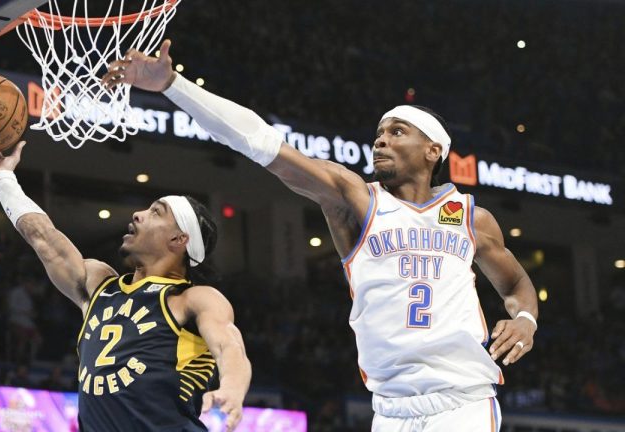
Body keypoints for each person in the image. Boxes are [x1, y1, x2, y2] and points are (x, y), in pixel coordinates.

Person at [104, 40, 539, 431]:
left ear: (433, 151)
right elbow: (262, 142)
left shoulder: (470, 218)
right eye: (379, 133)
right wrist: (173, 86)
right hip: (390, 409)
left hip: (463, 401)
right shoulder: (357, 201)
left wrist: (525, 318)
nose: (381, 140)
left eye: (397, 131)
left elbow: (517, 284)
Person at [0, 143, 251, 432]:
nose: (138, 214)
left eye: (156, 212)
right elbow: (44, 239)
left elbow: (229, 345)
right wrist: (2, 178)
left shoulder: (192, 298)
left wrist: (232, 390)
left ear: (178, 239)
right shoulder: (100, 284)